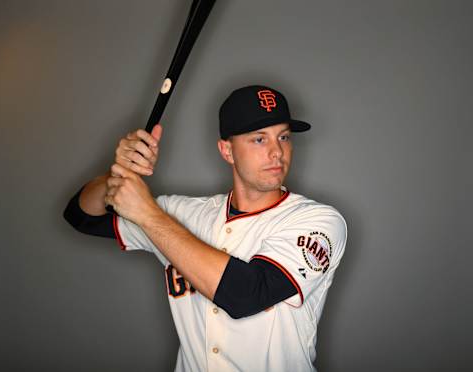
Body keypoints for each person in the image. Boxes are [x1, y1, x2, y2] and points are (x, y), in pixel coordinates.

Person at [64, 85, 347, 372]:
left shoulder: (318, 221)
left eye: (283, 137)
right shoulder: (182, 214)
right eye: (259, 139)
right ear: (227, 151)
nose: (277, 152)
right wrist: (118, 171)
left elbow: (246, 295)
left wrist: (148, 214)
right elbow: (83, 216)